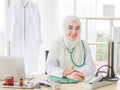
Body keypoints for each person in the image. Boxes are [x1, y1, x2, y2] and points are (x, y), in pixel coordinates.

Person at [45, 15, 96, 81]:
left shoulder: (84, 45)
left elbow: (91, 67)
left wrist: (75, 72)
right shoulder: (56, 45)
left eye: (77, 28)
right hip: (60, 82)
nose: (74, 32)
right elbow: (50, 67)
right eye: (70, 28)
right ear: (64, 29)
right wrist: (64, 74)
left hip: (80, 82)